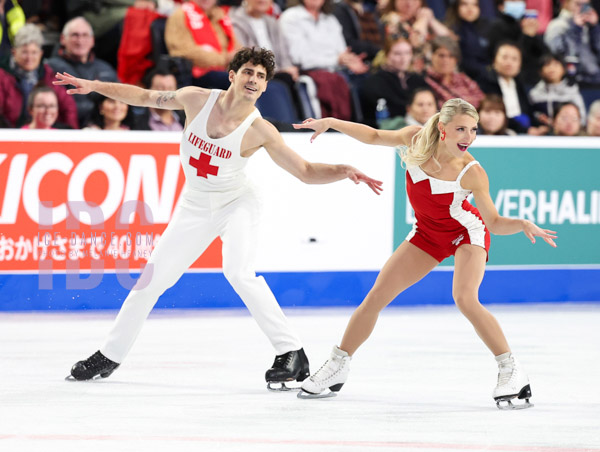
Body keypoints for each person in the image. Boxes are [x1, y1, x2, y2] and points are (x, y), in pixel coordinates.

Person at [53, 47, 383, 388]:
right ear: (233, 75)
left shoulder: (261, 130)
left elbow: (305, 171)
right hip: (194, 205)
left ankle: (292, 352)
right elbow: (143, 96)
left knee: (238, 273)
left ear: (266, 86)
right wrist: (95, 85)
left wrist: (343, 170)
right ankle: (109, 354)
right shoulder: (195, 99)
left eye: (260, 76)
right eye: (248, 72)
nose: (253, 80)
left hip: (237, 202)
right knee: (150, 281)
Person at [292, 97, 557, 409]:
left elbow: (495, 223)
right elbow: (374, 135)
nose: (468, 137)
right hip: (427, 234)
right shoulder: (415, 139)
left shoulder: (472, 171)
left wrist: (523, 223)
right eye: (461, 129)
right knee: (376, 296)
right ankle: (338, 364)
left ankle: (512, 371)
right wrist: (331, 122)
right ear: (442, 128)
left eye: (473, 130)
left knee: (465, 298)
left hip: (465, 233)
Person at [0, 24, 78, 128]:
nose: (29, 57)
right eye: (24, 52)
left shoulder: (48, 74)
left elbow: (68, 107)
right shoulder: (2, 75)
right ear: (14, 52)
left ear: (41, 54)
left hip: (44, 133)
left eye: (34, 52)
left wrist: (73, 137)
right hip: (11, 134)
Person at [47, 17, 119, 127]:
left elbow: (121, 101)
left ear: (92, 40)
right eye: (75, 35)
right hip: (64, 131)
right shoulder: (50, 67)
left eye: (85, 35)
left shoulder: (106, 69)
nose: (80, 41)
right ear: (62, 39)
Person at [165, 0, 240, 90]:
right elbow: (183, 51)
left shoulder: (219, 15)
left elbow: (236, 46)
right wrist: (224, 58)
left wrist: (237, 56)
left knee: (254, 79)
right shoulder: (180, 15)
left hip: (224, 69)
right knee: (242, 82)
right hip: (196, 73)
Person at [359, 35, 428, 127]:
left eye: (407, 53)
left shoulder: (417, 79)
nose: (403, 58)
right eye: (397, 54)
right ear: (387, 55)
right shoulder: (375, 82)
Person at [544, 0, 600, 87]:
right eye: (578, 4)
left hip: (594, 79)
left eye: (587, 5)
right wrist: (575, 29)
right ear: (566, 3)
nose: (583, 9)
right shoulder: (557, 25)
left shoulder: (587, 25)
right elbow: (564, 57)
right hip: (571, 83)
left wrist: (594, 29)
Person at [424, 36, 485, 109]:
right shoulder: (425, 80)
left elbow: (482, 100)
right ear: (431, 56)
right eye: (441, 55)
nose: (446, 60)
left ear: (456, 59)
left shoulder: (462, 78)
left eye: (451, 56)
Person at [528, 53, 586, 126]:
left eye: (556, 65)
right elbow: (530, 115)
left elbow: (582, 118)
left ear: (564, 69)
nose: (551, 68)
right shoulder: (534, 94)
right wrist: (539, 118)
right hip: (541, 134)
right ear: (540, 71)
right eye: (547, 65)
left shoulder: (572, 91)